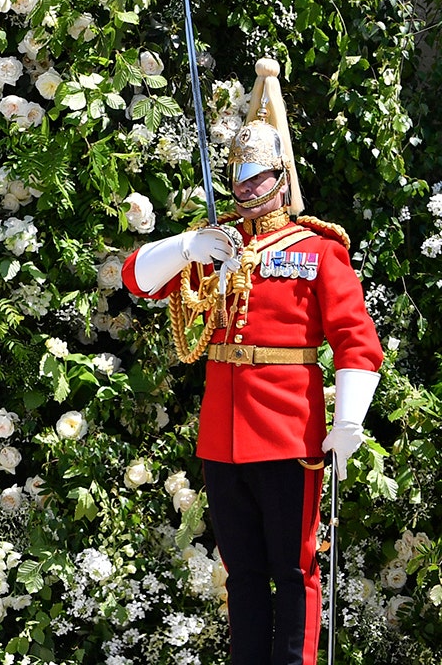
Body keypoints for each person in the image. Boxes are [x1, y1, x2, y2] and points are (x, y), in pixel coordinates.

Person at [123, 59, 382, 665]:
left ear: (279, 175)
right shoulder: (216, 246)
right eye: (235, 172)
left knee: (294, 570)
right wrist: (189, 246)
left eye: (255, 172)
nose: (242, 184)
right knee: (240, 573)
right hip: (223, 435)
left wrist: (347, 421)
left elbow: (354, 338)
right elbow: (138, 280)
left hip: (289, 431)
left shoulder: (317, 249)